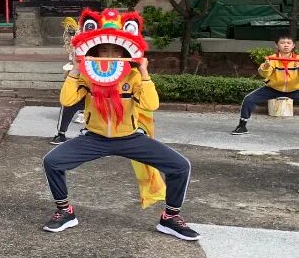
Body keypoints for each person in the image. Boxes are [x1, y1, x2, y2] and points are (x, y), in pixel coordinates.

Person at [43, 42, 199, 241]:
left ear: (125, 52)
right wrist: (75, 69)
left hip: (130, 138)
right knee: (52, 162)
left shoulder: (133, 75)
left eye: (116, 50)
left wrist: (143, 71)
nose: (111, 54)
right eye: (104, 50)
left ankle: (170, 218)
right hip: (94, 138)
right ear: (95, 52)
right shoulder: (87, 76)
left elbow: (151, 104)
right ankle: (65, 211)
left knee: (180, 166)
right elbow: (67, 101)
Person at [233, 35, 297, 135]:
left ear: (293, 45)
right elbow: (263, 74)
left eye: (289, 43)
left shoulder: (298, 59)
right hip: (273, 89)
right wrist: (266, 67)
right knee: (249, 99)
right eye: (282, 43)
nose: (286, 45)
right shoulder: (272, 59)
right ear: (277, 45)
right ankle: (242, 126)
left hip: (295, 89)